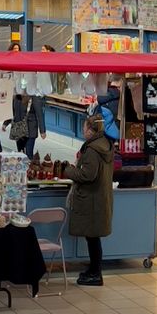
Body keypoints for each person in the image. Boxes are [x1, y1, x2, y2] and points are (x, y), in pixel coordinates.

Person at [62, 113, 114, 287]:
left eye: (85, 128)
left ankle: (95, 273)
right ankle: (93, 270)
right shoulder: (105, 145)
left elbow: (87, 175)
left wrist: (68, 171)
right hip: (99, 197)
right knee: (93, 238)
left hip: (92, 199)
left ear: (91, 130)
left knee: (92, 238)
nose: (83, 130)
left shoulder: (93, 150)